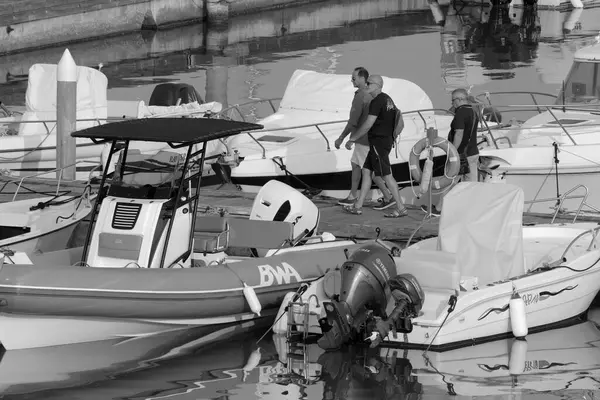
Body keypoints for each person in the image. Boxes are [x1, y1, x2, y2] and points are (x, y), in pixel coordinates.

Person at [342, 75, 408, 218]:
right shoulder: (387, 99)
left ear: (377, 85)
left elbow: (367, 124)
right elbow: (398, 118)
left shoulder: (377, 101)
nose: (366, 85)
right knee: (366, 171)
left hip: (379, 143)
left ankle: (401, 208)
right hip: (382, 142)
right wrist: (392, 136)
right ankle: (358, 206)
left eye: (369, 83)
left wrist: (352, 138)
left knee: (387, 175)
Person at [335, 67, 395, 210]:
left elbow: (354, 122)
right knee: (356, 165)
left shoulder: (361, 96)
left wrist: (343, 138)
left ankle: (388, 196)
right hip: (373, 139)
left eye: (354, 78)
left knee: (370, 171)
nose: (352, 80)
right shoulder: (380, 98)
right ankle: (353, 196)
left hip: (365, 140)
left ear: (363, 79)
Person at [422, 88, 480, 216]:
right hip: (473, 152)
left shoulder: (461, 113)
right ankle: (471, 210)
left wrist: (452, 151)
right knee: (470, 184)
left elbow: (459, 133)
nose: (452, 103)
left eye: (453, 100)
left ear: (459, 99)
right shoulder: (474, 111)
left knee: (449, 181)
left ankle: (439, 209)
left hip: (460, 154)